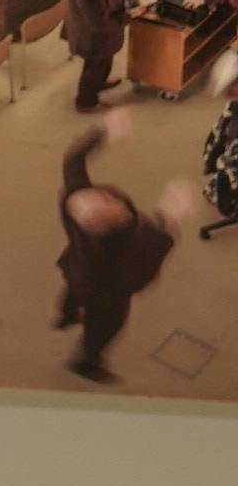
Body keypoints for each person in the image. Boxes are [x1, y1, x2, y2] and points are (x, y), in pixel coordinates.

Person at [55, 117, 182, 384]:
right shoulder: (117, 250)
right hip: (105, 295)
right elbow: (142, 269)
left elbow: (73, 160)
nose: (113, 200)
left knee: (73, 291)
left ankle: (66, 315)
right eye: (114, 210)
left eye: (104, 197)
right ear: (109, 230)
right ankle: (86, 362)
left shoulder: (76, 200)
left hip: (75, 269)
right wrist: (169, 215)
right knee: (104, 327)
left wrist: (103, 131)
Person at [65, 0, 132, 114]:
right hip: (92, 39)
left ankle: (101, 82)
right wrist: (128, 16)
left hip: (96, 35)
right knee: (94, 67)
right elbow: (100, 25)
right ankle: (86, 101)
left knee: (103, 64)